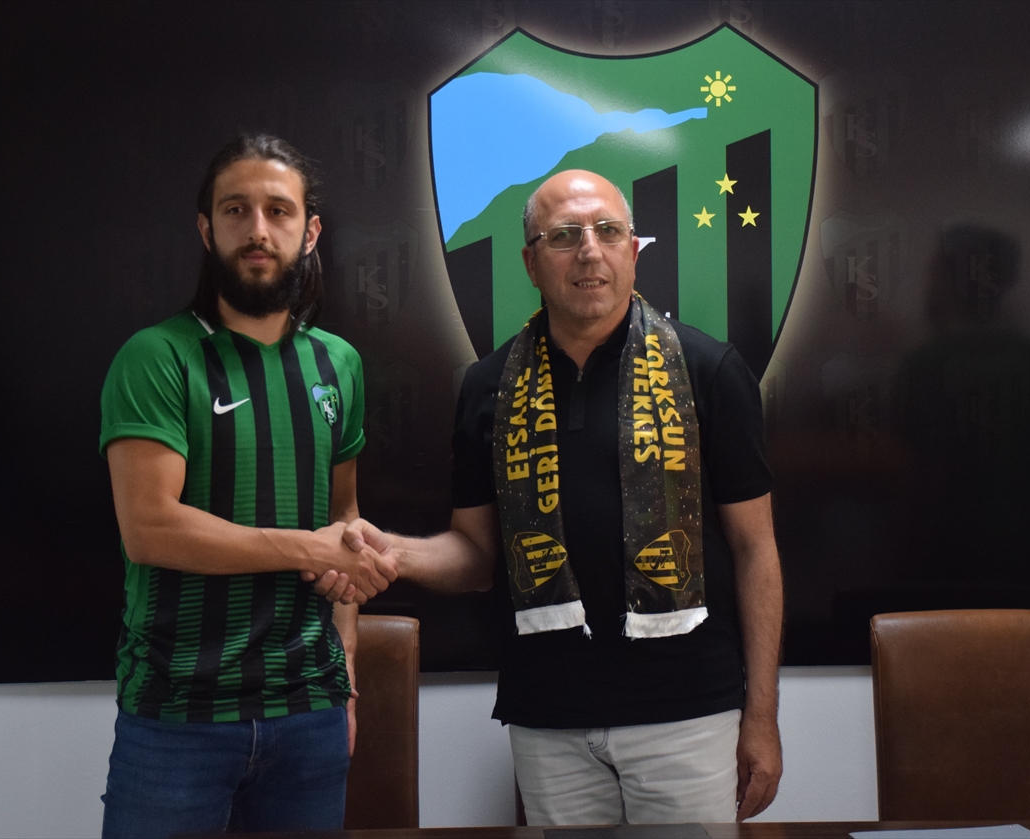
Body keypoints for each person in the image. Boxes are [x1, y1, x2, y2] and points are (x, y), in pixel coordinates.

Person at [327, 170, 783, 825]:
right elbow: (475, 555)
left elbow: (755, 548)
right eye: (565, 236)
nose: (589, 251)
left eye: (608, 232)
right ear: (531, 263)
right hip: (549, 716)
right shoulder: (487, 386)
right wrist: (390, 552)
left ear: (633, 251)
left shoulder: (707, 371)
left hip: (687, 710)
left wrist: (762, 714)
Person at [98, 133, 396, 837]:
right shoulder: (159, 356)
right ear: (208, 230)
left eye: (277, 210)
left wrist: (346, 672)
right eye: (236, 210)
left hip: (310, 715)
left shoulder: (338, 364)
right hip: (177, 718)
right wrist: (309, 548)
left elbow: (343, 520)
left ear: (310, 232)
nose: (258, 229)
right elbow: (151, 528)